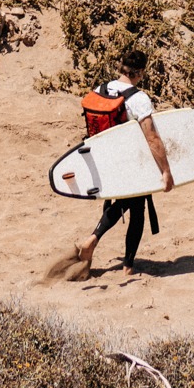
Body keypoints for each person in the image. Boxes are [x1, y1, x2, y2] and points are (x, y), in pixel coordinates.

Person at [71, 51, 174, 279]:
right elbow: (152, 137)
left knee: (126, 203)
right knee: (137, 210)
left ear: (121, 66)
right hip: (130, 162)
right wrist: (165, 170)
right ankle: (119, 259)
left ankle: (101, 244)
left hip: (104, 160)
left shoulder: (102, 89)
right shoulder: (138, 99)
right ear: (142, 72)